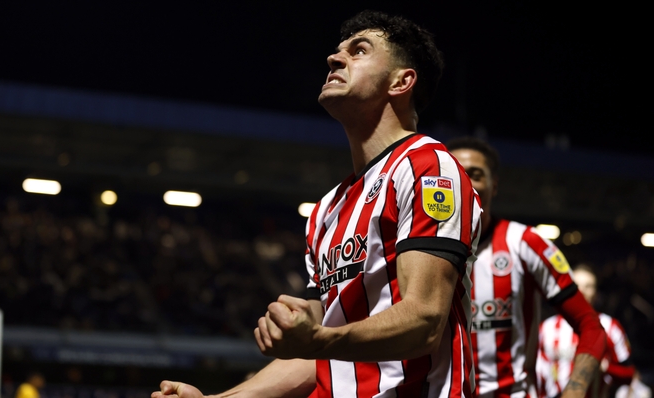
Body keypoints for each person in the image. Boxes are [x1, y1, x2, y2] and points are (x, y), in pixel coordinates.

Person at [151, 10, 482, 398]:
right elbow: (316, 356)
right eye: (337, 50)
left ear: (401, 81)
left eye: (359, 51)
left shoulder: (428, 166)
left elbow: (424, 321)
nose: (334, 58)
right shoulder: (326, 208)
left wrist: (319, 340)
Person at [445, 136, 607, 398]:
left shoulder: (526, 243)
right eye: (455, 173)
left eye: (475, 174)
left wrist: (574, 392)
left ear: (494, 186)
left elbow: (592, 327)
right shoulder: (419, 250)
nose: (465, 182)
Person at [536, 265, 636, 398]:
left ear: (596, 293)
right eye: (576, 285)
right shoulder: (546, 328)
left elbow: (628, 374)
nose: (581, 291)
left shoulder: (610, 327)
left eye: (588, 286)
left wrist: (604, 367)